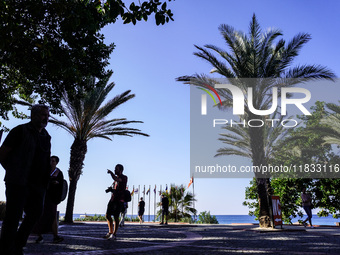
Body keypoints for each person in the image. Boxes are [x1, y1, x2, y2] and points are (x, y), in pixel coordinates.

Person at [0, 104, 51, 255]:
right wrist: (14, 171)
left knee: (36, 213)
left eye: (47, 116)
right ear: (33, 115)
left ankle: (17, 244)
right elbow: (2, 154)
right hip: (18, 182)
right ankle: (6, 249)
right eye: (43, 115)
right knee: (13, 217)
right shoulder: (20, 131)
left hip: (39, 184)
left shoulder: (46, 136)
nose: (46, 118)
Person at [33, 156, 64, 244]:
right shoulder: (44, 171)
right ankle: (39, 236)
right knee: (40, 216)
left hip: (52, 198)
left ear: (56, 162)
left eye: (53, 161)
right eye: (50, 160)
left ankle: (55, 236)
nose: (51, 162)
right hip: (42, 196)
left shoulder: (59, 173)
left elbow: (61, 186)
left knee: (52, 216)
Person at [104, 164, 127, 240]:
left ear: (120, 170)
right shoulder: (116, 179)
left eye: (116, 169)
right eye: (114, 169)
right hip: (113, 199)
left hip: (119, 200)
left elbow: (117, 179)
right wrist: (111, 190)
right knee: (107, 215)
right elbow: (116, 188)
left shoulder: (124, 177)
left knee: (116, 216)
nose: (115, 170)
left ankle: (114, 234)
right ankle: (110, 232)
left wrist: (110, 173)